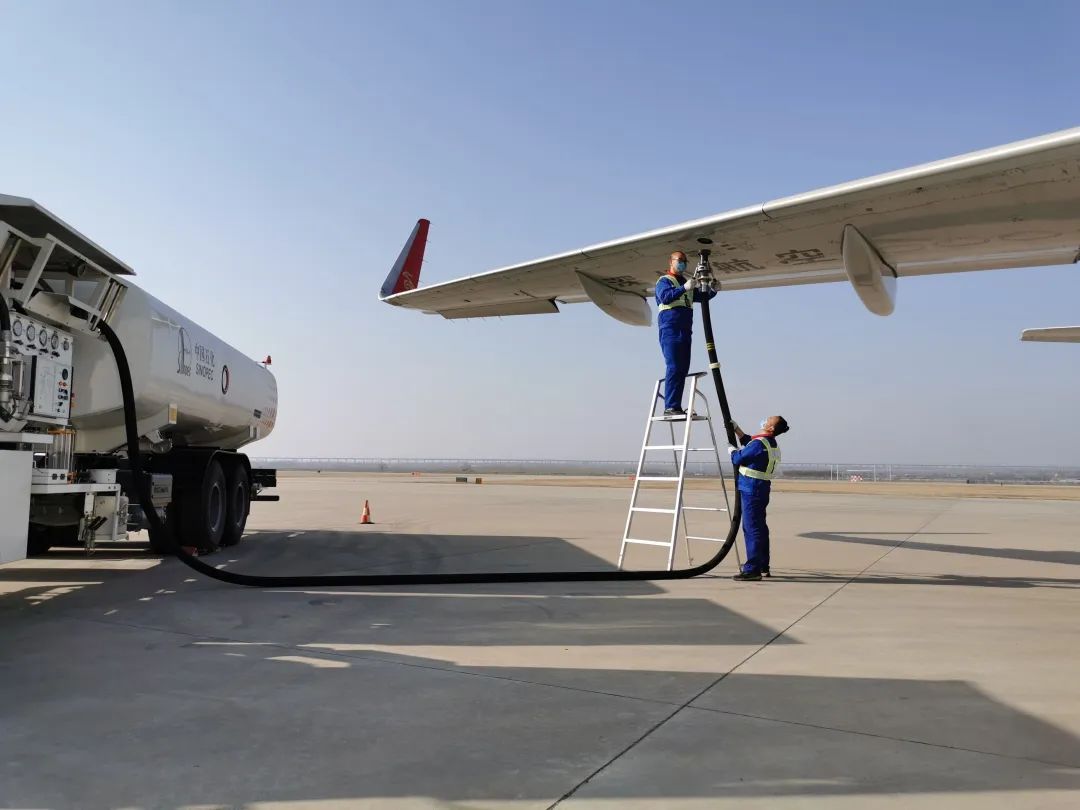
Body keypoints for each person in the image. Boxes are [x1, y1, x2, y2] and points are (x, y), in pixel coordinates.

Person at [727, 415, 790, 581]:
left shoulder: (759, 444)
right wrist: (737, 430)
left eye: (768, 420)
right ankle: (763, 565)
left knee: (752, 528)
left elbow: (739, 458)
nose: (765, 420)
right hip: (760, 488)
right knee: (760, 527)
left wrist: (732, 452)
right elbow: (750, 443)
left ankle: (752, 570)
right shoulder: (769, 443)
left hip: (751, 489)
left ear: (771, 428)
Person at [655, 251, 717, 416]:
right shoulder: (664, 281)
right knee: (674, 366)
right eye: (679, 260)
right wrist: (684, 288)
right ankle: (670, 406)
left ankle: (676, 406)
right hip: (670, 328)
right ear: (671, 261)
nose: (682, 263)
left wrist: (713, 290)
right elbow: (665, 297)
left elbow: (701, 297)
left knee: (682, 368)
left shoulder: (686, 282)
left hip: (685, 330)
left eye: (684, 261)